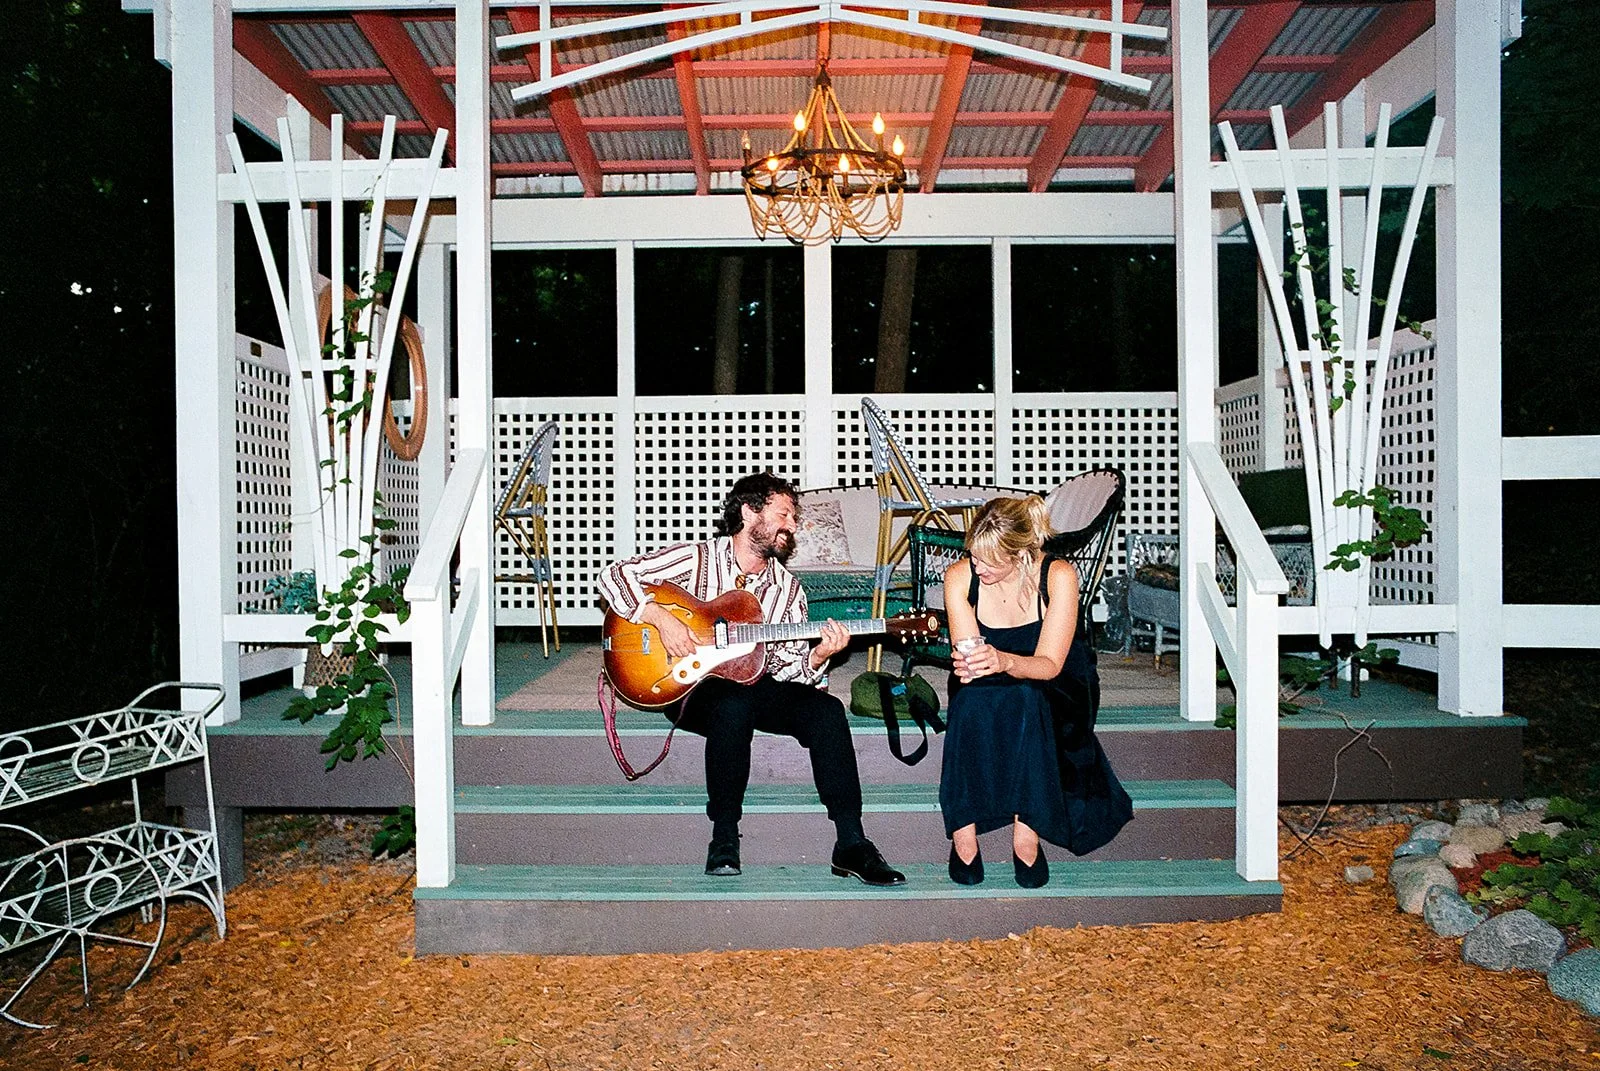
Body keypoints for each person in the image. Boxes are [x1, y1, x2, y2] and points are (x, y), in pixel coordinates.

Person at [596, 472, 906, 887]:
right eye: (784, 514)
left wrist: (818, 655)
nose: (792, 526)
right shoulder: (697, 558)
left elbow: (791, 670)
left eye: (793, 518)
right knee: (731, 703)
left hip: (755, 683)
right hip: (689, 684)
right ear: (749, 511)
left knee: (826, 710)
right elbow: (614, 576)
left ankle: (851, 842)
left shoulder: (788, 590)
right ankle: (724, 835)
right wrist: (661, 619)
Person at [939, 495, 1132, 888]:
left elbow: (1049, 665)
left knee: (1027, 698)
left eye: (990, 561)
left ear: (1021, 554)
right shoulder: (960, 577)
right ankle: (963, 833)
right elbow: (971, 657)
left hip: (1056, 684)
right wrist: (973, 663)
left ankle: (1026, 835)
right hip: (991, 677)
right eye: (975, 556)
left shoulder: (1058, 575)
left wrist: (1005, 661)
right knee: (969, 701)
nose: (979, 567)